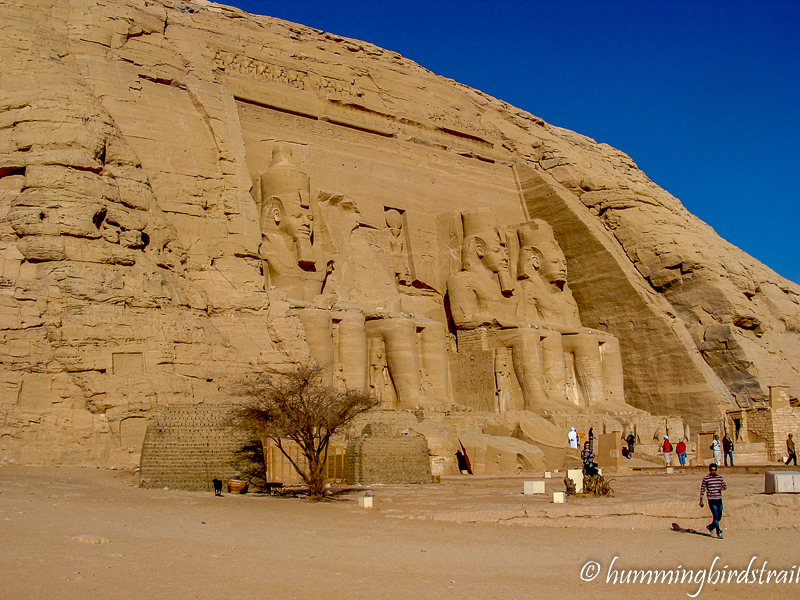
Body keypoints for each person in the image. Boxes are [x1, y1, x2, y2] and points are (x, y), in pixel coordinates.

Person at [699, 463, 727, 538]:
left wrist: (723, 488)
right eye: (712, 470)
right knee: (715, 516)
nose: (713, 472)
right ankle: (719, 531)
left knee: (719, 516)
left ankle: (711, 527)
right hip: (711, 499)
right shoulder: (706, 479)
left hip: (719, 499)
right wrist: (701, 500)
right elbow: (702, 489)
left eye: (714, 470)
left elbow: (724, 486)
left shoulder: (719, 478)